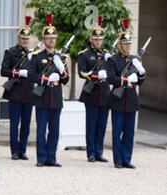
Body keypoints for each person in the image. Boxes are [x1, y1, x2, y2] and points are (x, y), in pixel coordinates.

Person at [29, 13, 70, 167]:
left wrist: (62, 69)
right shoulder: (37, 57)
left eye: (53, 38)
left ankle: (52, 158)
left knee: (54, 130)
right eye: (48, 38)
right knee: (41, 130)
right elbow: (31, 76)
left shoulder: (61, 58)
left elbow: (66, 80)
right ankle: (41, 158)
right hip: (42, 97)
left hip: (56, 97)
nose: (51, 40)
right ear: (44, 40)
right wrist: (46, 79)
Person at [106, 18, 146, 169]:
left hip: (131, 99)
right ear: (120, 44)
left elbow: (140, 81)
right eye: (125, 44)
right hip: (118, 99)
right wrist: (126, 79)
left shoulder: (135, 59)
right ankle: (118, 160)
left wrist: (141, 73)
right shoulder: (113, 60)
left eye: (129, 44)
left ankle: (127, 159)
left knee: (129, 133)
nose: (128, 46)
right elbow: (110, 78)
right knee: (117, 133)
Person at [0, 16, 34, 161]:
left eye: (27, 39)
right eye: (22, 38)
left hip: (28, 93)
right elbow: (3, 70)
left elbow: (36, 72)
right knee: (14, 124)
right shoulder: (10, 52)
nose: (25, 41)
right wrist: (18, 72)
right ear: (18, 38)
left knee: (26, 124)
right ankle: (14, 151)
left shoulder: (33, 54)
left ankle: (23, 150)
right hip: (15, 92)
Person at [78, 16, 111, 163]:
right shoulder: (85, 54)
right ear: (91, 40)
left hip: (104, 93)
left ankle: (99, 151)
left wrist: (110, 61)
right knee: (91, 124)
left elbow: (113, 73)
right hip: (91, 93)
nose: (98, 42)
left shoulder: (107, 55)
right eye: (96, 39)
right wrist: (96, 74)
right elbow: (81, 72)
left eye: (100, 39)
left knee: (102, 125)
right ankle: (91, 153)